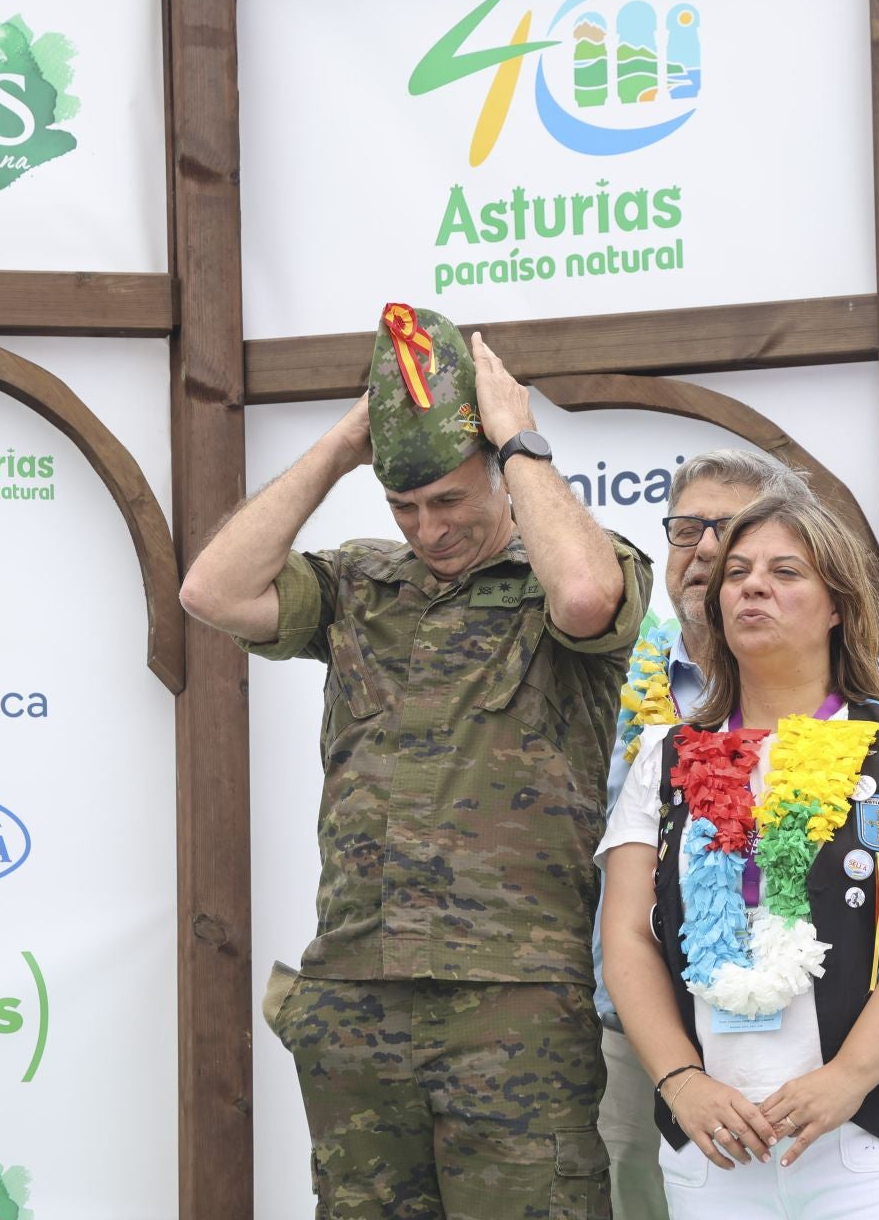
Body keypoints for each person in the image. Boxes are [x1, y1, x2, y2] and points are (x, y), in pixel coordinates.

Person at [180, 302, 651, 1219]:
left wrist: (519, 439)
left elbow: (587, 599)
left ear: (502, 478)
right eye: (405, 507)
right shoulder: (359, 585)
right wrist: (338, 447)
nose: (429, 529)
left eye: (450, 501)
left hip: (513, 999)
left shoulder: (567, 568)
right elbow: (212, 590)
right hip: (357, 992)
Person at [600, 490, 879, 1216]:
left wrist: (850, 1076)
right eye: (737, 573)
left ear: (838, 604)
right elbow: (625, 934)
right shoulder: (665, 756)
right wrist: (681, 1081)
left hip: (878, 1142)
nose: (753, 586)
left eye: (785, 572)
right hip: (713, 1144)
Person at [596, 448, 811, 1220]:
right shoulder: (607, 680)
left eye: (732, 529)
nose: (706, 550)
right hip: (637, 1041)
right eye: (687, 529)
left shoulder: (833, 692)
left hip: (803, 1041)